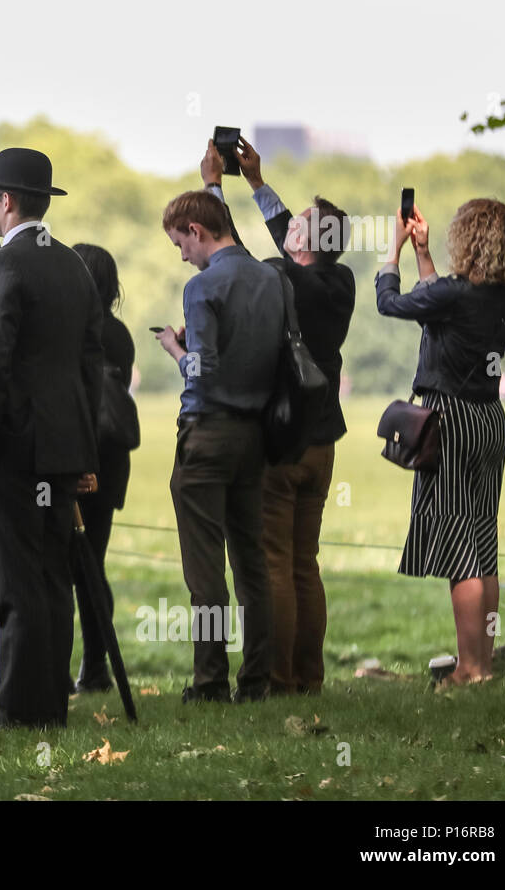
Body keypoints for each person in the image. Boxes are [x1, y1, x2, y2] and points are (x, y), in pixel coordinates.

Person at [0, 148, 103, 729]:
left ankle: (19, 712)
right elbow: (91, 370)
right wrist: (84, 450)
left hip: (7, 450)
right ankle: (50, 708)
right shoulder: (71, 265)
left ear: (7, 202)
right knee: (50, 581)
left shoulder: (3, 265)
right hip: (62, 449)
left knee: (14, 587)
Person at [203, 137, 356, 696]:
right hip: (323, 441)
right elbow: (294, 237)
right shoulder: (339, 281)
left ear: (304, 243)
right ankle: (309, 677)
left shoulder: (277, 277)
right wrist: (256, 182)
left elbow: (229, 255)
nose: (288, 226)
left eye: (298, 225)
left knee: (271, 561)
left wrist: (213, 187)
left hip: (282, 438)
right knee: (303, 564)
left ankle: (278, 677)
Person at [376, 198, 505, 686]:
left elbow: (391, 303)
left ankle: (467, 670)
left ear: (469, 239)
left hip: (451, 423)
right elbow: (437, 305)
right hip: (489, 420)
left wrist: (392, 252)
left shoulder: (457, 294)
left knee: (460, 548)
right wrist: (423, 254)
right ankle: (482, 664)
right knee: (483, 542)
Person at [156, 189, 282, 704]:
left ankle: (209, 682)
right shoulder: (271, 279)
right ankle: (257, 680)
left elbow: (203, 372)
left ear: (197, 230)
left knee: (206, 570)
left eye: (180, 242)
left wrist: (175, 349)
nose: (181, 254)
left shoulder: (202, 286)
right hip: (255, 434)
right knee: (251, 562)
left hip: (207, 434)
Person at [69, 243, 135, 693]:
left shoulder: (74, 329)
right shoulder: (121, 334)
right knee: (94, 562)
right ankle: (97, 666)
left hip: (76, 456)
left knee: (67, 567)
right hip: (111, 459)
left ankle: (79, 664)